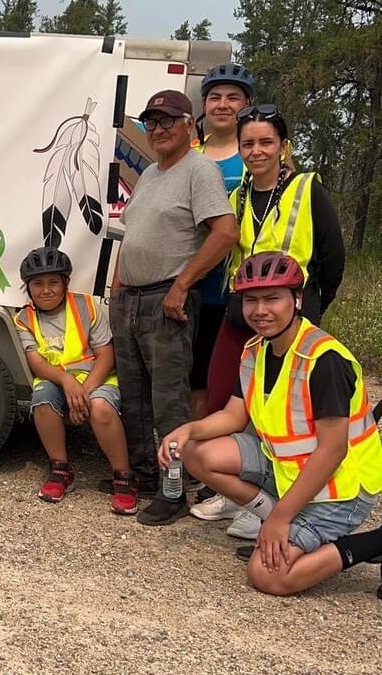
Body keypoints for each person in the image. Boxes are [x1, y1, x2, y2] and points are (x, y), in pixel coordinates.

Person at [162, 253, 381, 596]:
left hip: (340, 488)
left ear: (296, 300)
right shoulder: (255, 350)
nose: (260, 310)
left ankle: (373, 542)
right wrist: (188, 429)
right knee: (196, 454)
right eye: (250, 300)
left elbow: (334, 450)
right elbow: (234, 416)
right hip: (287, 469)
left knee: (268, 576)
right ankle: (276, 518)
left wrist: (281, 520)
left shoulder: (323, 360)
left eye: (272, 298)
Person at [199, 104, 346, 534]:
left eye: (266, 142)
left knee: (286, 413)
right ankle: (237, 494)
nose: (257, 151)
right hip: (242, 310)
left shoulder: (306, 188)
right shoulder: (240, 192)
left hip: (292, 315)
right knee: (223, 397)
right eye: (249, 144)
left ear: (283, 146)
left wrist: (314, 306)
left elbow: (333, 257)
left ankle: (273, 504)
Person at [109, 89, 239, 525]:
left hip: (167, 300)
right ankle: (146, 476)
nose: (159, 129)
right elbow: (132, 237)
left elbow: (224, 233)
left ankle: (174, 490)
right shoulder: (150, 174)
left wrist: (182, 285)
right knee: (135, 395)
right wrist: (116, 292)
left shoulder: (198, 170)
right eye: (152, 121)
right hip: (130, 299)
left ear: (189, 125)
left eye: (168, 120)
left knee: (169, 401)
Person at [13, 247, 137, 514]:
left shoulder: (87, 306)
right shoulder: (24, 319)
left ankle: (124, 477)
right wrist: (67, 383)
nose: (46, 290)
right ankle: (60, 469)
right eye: (37, 284)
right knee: (42, 399)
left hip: (97, 377)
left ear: (66, 283)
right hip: (58, 381)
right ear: (28, 288)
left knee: (101, 408)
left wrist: (83, 392)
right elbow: (36, 362)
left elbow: (106, 355)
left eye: (53, 282)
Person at [189, 63, 256, 421]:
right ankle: (198, 457)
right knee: (196, 377)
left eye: (233, 97)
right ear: (204, 105)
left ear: (246, 105)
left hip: (238, 290)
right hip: (194, 287)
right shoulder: (191, 156)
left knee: (236, 379)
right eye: (215, 97)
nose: (223, 104)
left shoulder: (255, 156)